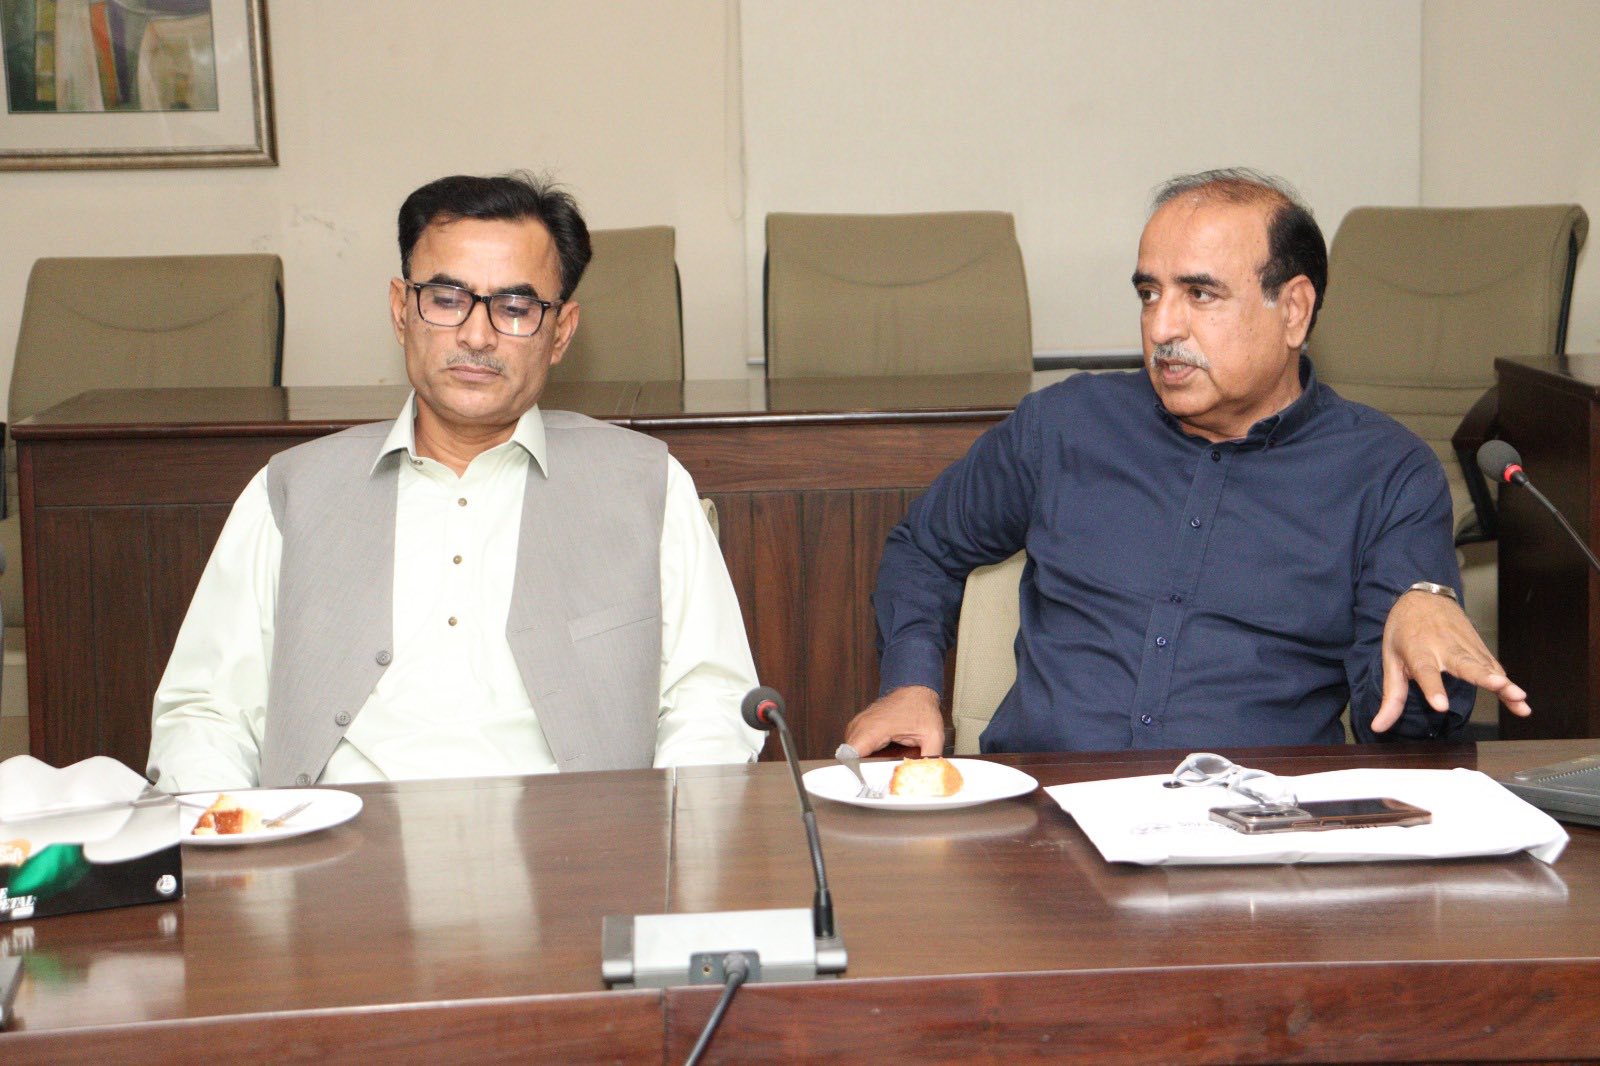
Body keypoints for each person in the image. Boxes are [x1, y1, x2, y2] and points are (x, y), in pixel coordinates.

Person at [845, 168, 1530, 757]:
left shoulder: (1384, 473)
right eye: (1150, 293)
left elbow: (1404, 740)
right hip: (1043, 819)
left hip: (1258, 836)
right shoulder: (1064, 426)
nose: (1162, 327)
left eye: (1200, 294)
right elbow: (924, 547)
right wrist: (911, 684)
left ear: (1294, 310)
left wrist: (1424, 620)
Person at [148, 172, 763, 790]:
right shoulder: (292, 491)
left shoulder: (646, 486)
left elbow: (711, 700)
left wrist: (657, 833)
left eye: (515, 308)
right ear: (401, 310)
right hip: (338, 840)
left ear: (561, 333)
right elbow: (206, 714)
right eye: (446, 300)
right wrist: (242, 834)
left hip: (575, 843)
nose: (476, 335)